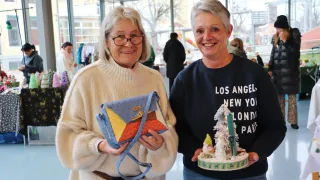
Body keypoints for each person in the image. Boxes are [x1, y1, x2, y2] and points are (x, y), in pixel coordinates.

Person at [55, 6, 178, 180]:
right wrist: (98, 145)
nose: (128, 43)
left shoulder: (154, 78)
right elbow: (67, 135)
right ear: (106, 41)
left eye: (134, 36)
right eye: (119, 37)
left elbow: (168, 126)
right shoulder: (86, 79)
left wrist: (160, 145)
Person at [169, 1, 287, 180]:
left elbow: (275, 127)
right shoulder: (184, 80)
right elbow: (175, 128)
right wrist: (195, 149)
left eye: (215, 29)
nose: (207, 37)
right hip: (199, 173)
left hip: (249, 173)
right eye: (200, 31)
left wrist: (257, 153)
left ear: (229, 30)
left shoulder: (254, 75)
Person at [268, 15, 301, 129]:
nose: (277, 31)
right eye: (276, 29)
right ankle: (280, 121)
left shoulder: (294, 35)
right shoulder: (275, 37)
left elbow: (295, 53)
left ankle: (293, 121)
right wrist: (270, 68)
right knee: (279, 99)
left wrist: (286, 41)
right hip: (278, 73)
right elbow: (273, 53)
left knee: (292, 99)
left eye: (279, 29)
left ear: (285, 28)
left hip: (291, 73)